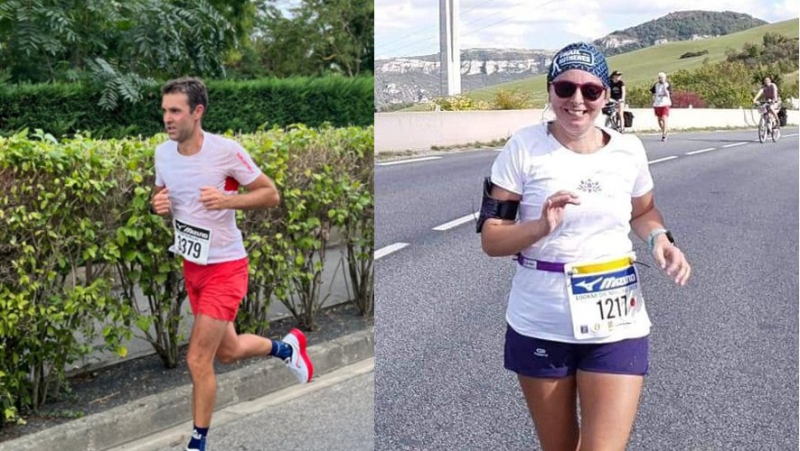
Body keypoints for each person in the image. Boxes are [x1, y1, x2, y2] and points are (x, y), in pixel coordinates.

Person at [477, 42, 691, 451]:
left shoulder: (629, 150)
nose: (577, 100)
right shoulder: (523, 148)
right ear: (550, 91)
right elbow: (492, 238)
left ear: (605, 97)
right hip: (541, 317)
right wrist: (540, 226)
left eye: (590, 91)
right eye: (565, 89)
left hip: (616, 318)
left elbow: (644, 211)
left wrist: (659, 238)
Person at [150, 77, 314, 451]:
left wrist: (227, 201)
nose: (167, 118)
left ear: (197, 112)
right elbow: (161, 197)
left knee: (197, 358)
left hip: (226, 267)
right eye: (164, 110)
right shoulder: (163, 154)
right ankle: (287, 348)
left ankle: (197, 443)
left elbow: (270, 194)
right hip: (193, 266)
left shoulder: (225, 151)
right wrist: (156, 205)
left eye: (175, 110)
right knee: (229, 350)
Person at [650, 72, 672, 141]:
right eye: (660, 78)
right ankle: (664, 130)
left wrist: (666, 91)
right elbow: (652, 92)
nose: (661, 79)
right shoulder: (656, 85)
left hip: (665, 103)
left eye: (663, 78)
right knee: (659, 120)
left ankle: (664, 134)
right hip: (657, 103)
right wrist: (653, 98)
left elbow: (670, 92)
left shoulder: (667, 84)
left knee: (664, 117)